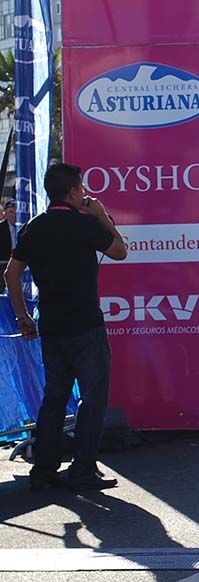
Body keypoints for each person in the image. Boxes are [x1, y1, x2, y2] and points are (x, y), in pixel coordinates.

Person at [4, 163, 129, 491]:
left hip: (51, 325)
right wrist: (101, 214)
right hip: (86, 324)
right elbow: (120, 251)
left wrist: (22, 316)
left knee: (55, 397)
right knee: (93, 398)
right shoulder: (84, 224)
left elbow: (11, 274)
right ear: (73, 192)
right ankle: (83, 470)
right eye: (82, 189)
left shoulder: (34, 226)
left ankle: (44, 471)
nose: (86, 194)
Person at [1, 199, 16, 293]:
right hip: (3, 268)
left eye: (16, 211)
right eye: (11, 211)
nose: (14, 214)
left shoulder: (26, 227)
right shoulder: (1, 229)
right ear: (5, 214)